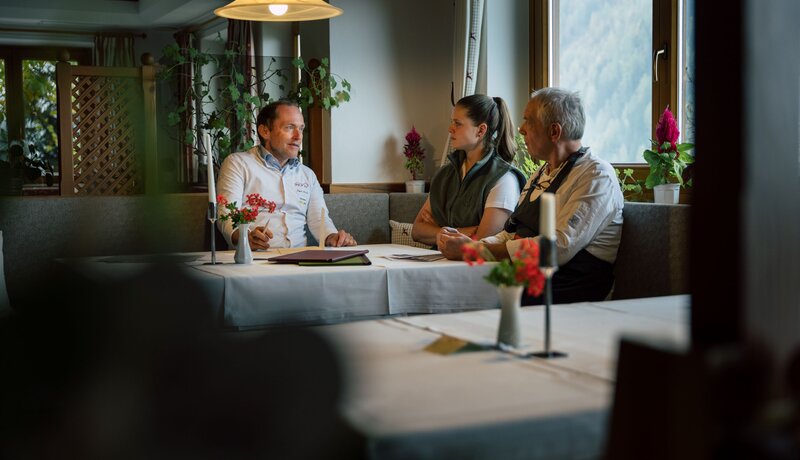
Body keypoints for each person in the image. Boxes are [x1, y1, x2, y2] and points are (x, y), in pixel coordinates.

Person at [439, 87, 624, 304]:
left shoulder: (596, 175)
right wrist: (469, 244)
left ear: (554, 132)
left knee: (462, 294)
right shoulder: (540, 174)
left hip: (571, 288)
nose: (521, 129)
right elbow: (510, 233)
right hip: (529, 277)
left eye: (529, 121)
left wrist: (477, 250)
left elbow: (558, 247)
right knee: (448, 282)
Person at [216, 100, 356, 249]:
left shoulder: (307, 175)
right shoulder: (238, 164)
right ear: (265, 131)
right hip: (255, 257)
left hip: (301, 258)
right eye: (290, 127)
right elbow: (226, 215)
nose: (298, 136)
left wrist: (332, 237)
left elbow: (319, 220)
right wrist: (244, 237)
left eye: (301, 129)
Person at [411, 95, 525, 247]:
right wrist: (462, 231)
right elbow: (417, 231)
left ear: (481, 130)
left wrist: (437, 229)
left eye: (458, 124)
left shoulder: (504, 179)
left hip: (471, 263)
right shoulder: (444, 174)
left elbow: (482, 244)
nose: (450, 128)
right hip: (436, 260)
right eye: (452, 122)